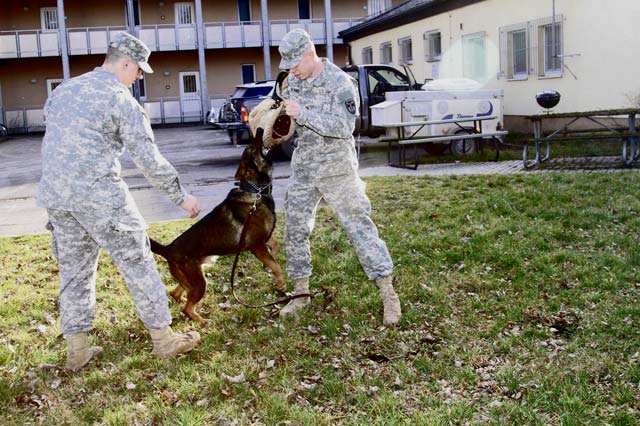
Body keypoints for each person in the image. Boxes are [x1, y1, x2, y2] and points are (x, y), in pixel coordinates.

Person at [38, 32, 202, 372]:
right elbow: (147, 158)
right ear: (125, 63)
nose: (139, 78)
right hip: (99, 196)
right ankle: (164, 339)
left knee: (74, 272)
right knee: (138, 261)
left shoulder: (63, 90)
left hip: (57, 198)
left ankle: (77, 351)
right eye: (139, 71)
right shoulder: (119, 99)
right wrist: (180, 197)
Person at [276, 29, 401, 326]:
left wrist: (303, 113)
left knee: (359, 226)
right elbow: (290, 121)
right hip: (305, 166)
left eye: (295, 63)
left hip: (337, 168)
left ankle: (388, 294)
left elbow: (345, 127)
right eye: (288, 65)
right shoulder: (293, 80)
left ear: (310, 52)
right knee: (294, 228)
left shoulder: (341, 83)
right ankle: (300, 293)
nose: (292, 70)